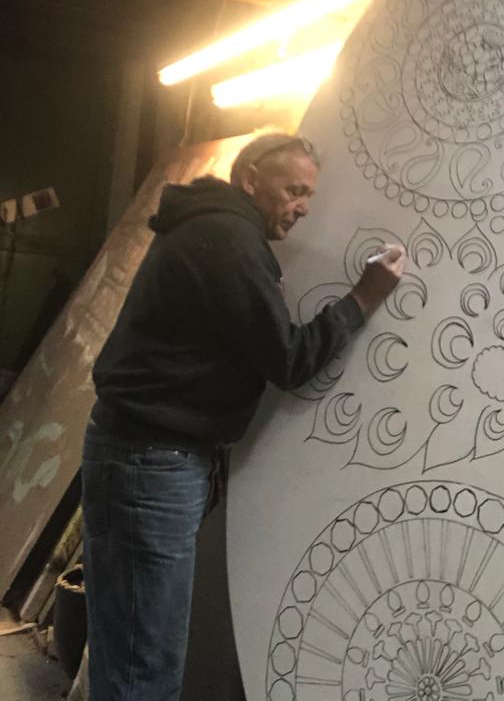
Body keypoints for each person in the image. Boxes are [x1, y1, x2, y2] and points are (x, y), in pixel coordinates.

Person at [81, 132, 405, 701]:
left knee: (129, 651)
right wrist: (364, 296)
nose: (303, 207)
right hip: (150, 465)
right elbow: (289, 359)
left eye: (309, 195)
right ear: (251, 178)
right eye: (293, 190)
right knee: (143, 666)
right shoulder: (228, 240)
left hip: (142, 458)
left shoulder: (213, 228)